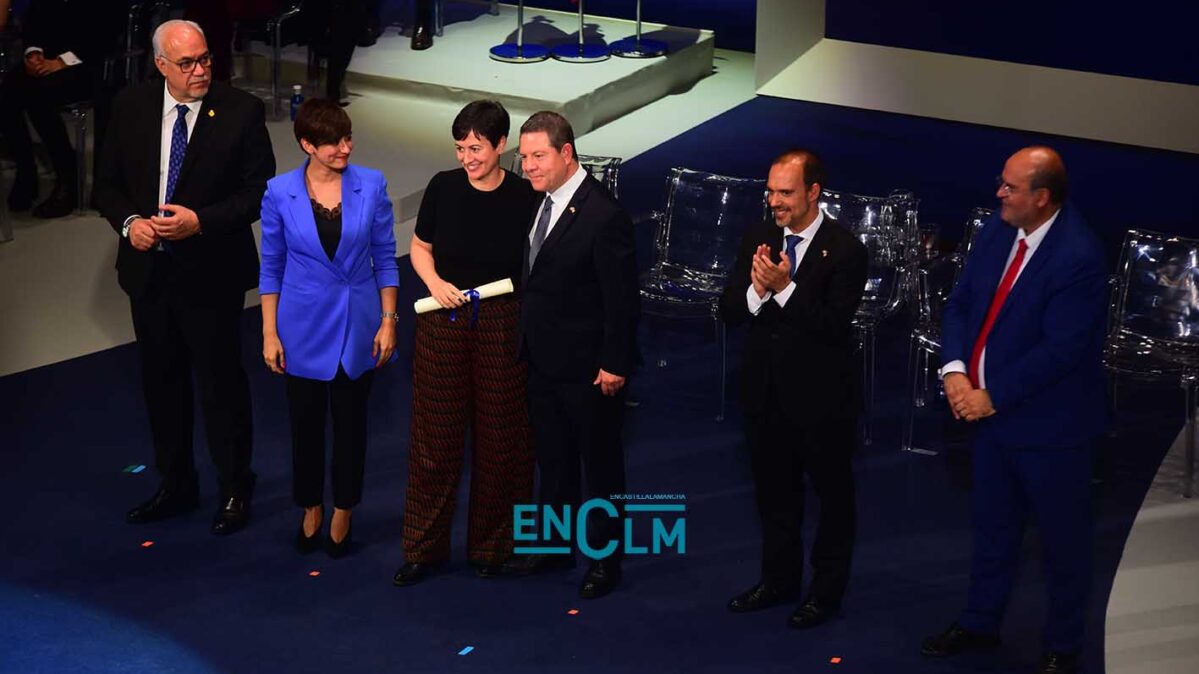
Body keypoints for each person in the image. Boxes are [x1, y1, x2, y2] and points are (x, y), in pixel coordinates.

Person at [920, 147, 1107, 674]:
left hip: (1051, 429)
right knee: (992, 529)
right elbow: (961, 303)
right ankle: (980, 622)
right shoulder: (998, 229)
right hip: (989, 421)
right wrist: (955, 370)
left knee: (1063, 544)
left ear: (1042, 197)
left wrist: (991, 395)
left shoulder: (1079, 256)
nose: (999, 192)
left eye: (1010, 187)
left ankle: (1062, 647)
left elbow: (1061, 350)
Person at [94, 19, 275, 536]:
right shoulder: (130, 106)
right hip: (149, 273)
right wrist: (130, 224)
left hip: (211, 273)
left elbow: (257, 192)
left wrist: (201, 222)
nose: (200, 70)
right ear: (161, 65)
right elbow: (106, 186)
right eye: (187, 63)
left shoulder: (240, 111)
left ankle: (235, 485)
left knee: (221, 386)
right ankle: (176, 483)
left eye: (205, 59)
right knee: (162, 384)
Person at [718, 149, 868, 629]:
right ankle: (778, 580)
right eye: (771, 192)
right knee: (774, 495)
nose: (775, 201)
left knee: (832, 499)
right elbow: (728, 310)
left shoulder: (845, 250)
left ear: (813, 192)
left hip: (822, 401)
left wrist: (784, 288)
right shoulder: (759, 237)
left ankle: (825, 593)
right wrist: (758, 291)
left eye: (785, 192)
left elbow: (832, 326)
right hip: (765, 394)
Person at [394, 100, 538, 585]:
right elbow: (420, 247)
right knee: (434, 440)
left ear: (501, 145)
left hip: (503, 322)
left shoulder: (524, 196)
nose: (466, 158)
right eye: (460, 148)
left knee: (502, 438)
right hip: (444, 318)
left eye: (476, 148)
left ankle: (493, 547)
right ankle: (423, 549)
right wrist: (435, 284)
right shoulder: (443, 187)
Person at [501, 111, 639, 600]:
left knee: (600, 467)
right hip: (541, 359)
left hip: (588, 369)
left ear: (566, 152)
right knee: (554, 460)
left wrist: (615, 362)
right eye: (524, 156)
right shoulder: (540, 201)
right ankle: (555, 546)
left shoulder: (604, 216)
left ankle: (605, 560)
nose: (529, 166)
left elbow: (621, 300)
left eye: (538, 156)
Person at [259, 98, 398, 558]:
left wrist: (388, 320)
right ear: (307, 145)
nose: (345, 148)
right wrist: (269, 333)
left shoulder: (371, 184)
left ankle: (344, 509)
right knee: (305, 426)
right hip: (301, 328)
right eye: (334, 142)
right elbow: (272, 267)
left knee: (352, 426)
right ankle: (311, 506)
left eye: (348, 138)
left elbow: (385, 258)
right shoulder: (279, 192)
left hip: (358, 326)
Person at [0, 0, 121, 217]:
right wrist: (33, 53)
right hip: (47, 61)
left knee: (38, 95)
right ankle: (26, 172)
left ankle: (66, 176)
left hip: (87, 65)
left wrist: (61, 62)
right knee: (7, 93)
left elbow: (105, 37)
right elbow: (33, 21)